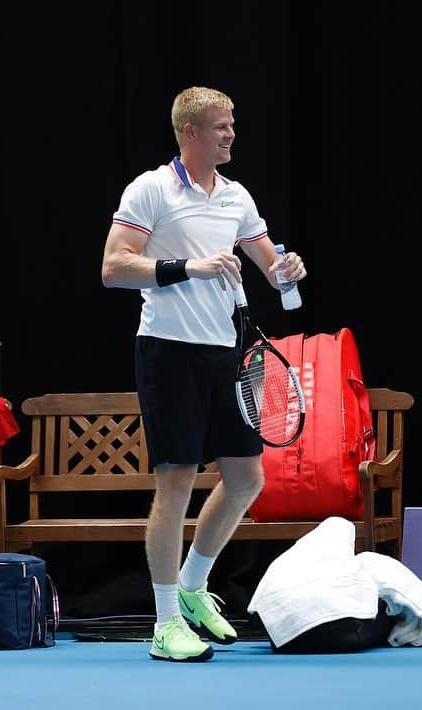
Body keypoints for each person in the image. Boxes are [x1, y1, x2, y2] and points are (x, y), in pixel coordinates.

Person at [100, 86, 307, 662]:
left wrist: (287, 269)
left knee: (246, 479)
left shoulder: (236, 197)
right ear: (189, 132)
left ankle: (192, 588)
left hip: (227, 354)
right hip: (168, 351)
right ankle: (165, 623)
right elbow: (114, 269)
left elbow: (273, 270)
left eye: (232, 124)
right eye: (220, 126)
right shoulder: (151, 189)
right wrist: (188, 266)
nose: (231, 134)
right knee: (177, 483)